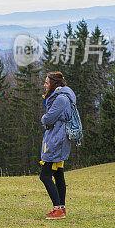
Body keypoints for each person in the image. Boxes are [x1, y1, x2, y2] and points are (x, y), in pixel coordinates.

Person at [40, 71, 74, 219]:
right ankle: (61, 208)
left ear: (54, 84)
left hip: (56, 139)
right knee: (58, 174)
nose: (44, 85)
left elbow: (48, 119)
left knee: (45, 175)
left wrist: (43, 118)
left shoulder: (60, 99)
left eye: (47, 83)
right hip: (58, 137)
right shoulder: (62, 97)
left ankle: (58, 208)